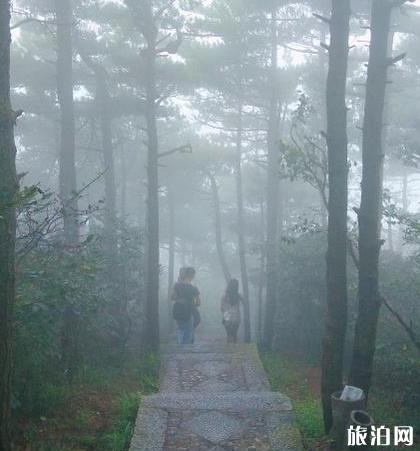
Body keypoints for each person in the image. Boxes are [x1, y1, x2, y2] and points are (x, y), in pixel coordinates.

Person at [171, 267, 201, 344]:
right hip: (188, 311)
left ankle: (180, 346)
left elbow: (173, 297)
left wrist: (180, 299)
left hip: (178, 310)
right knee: (188, 330)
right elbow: (198, 303)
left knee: (181, 329)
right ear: (192, 276)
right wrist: (191, 302)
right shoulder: (194, 288)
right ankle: (185, 350)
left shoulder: (177, 285)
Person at [221, 278, 242, 344]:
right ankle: (234, 349)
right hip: (236, 317)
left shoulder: (224, 296)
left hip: (227, 316)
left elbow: (221, 308)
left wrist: (225, 314)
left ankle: (229, 350)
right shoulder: (239, 296)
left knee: (229, 335)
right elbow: (245, 304)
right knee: (234, 334)